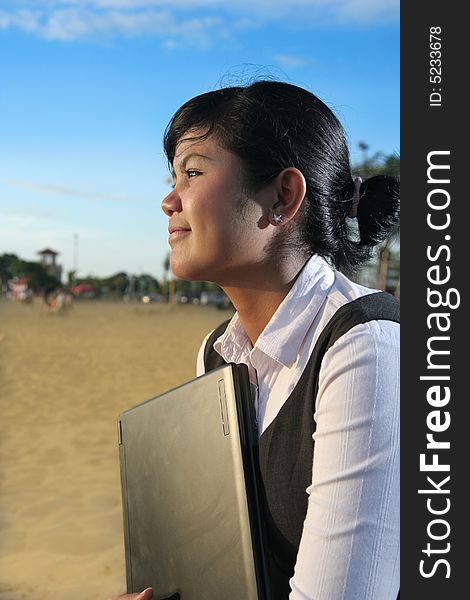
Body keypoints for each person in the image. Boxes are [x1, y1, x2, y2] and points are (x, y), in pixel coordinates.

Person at [114, 80, 400, 600]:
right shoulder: (220, 351)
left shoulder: (367, 344)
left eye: (193, 172)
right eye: (172, 177)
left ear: (283, 196)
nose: (167, 201)